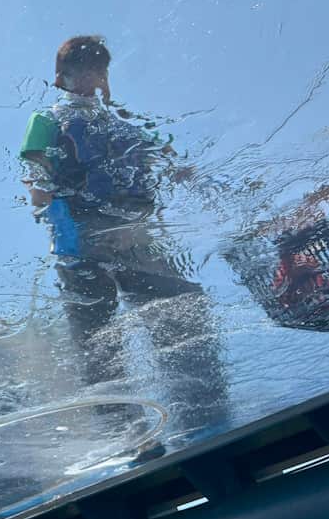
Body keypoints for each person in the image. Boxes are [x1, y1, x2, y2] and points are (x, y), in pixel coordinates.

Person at [19, 36, 229, 459]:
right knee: (97, 340)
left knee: (183, 308)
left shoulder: (124, 123)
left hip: (136, 237)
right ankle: (127, 439)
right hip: (81, 241)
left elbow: (170, 160)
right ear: (63, 79)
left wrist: (184, 171)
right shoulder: (46, 118)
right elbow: (35, 180)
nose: (94, 76)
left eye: (101, 68)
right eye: (84, 69)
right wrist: (59, 215)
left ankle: (207, 420)